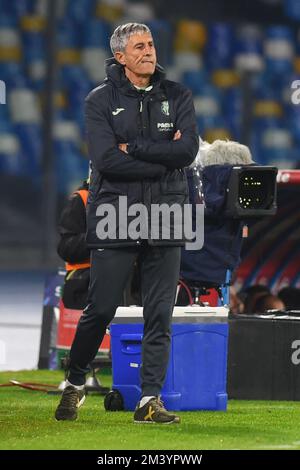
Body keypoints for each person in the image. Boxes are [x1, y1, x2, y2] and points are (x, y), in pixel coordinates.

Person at [54, 22, 198, 424]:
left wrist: (133, 148)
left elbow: (186, 152)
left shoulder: (179, 95)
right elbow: (105, 160)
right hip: (116, 211)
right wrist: (160, 157)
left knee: (159, 313)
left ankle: (148, 400)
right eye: (139, 46)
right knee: (100, 307)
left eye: (151, 44)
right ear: (120, 56)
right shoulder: (99, 100)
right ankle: (75, 382)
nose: (148, 51)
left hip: (168, 213)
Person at [57, 179, 91, 310]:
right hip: (84, 285)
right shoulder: (81, 199)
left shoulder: (135, 198)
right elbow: (66, 248)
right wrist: (99, 238)